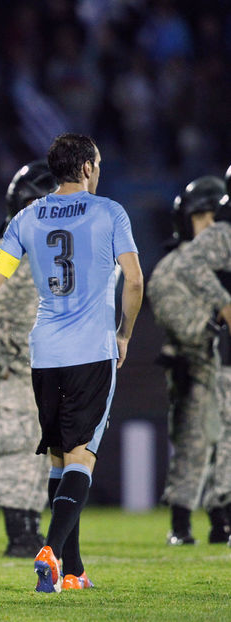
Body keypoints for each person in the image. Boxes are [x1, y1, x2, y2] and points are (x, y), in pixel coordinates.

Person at [0, 133, 143, 592]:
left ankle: (73, 570)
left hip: (44, 353)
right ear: (87, 167)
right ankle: (50, 547)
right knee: (82, 457)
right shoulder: (109, 212)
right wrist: (124, 333)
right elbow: (135, 281)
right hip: (91, 349)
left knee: (57, 458)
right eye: (99, 163)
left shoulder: (26, 218)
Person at [0, 161, 57, 558]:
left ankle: (30, 526)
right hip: (14, 371)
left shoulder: (52, 257)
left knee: (38, 454)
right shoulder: (1, 255)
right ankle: (20, 532)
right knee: (16, 447)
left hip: (46, 371)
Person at [149, 176, 228, 546]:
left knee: (225, 447)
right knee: (194, 445)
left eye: (215, 216)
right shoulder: (172, 268)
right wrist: (212, 324)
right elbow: (175, 316)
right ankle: (181, 524)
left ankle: (221, 520)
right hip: (195, 367)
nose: (209, 225)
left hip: (223, 365)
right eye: (201, 217)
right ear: (186, 220)